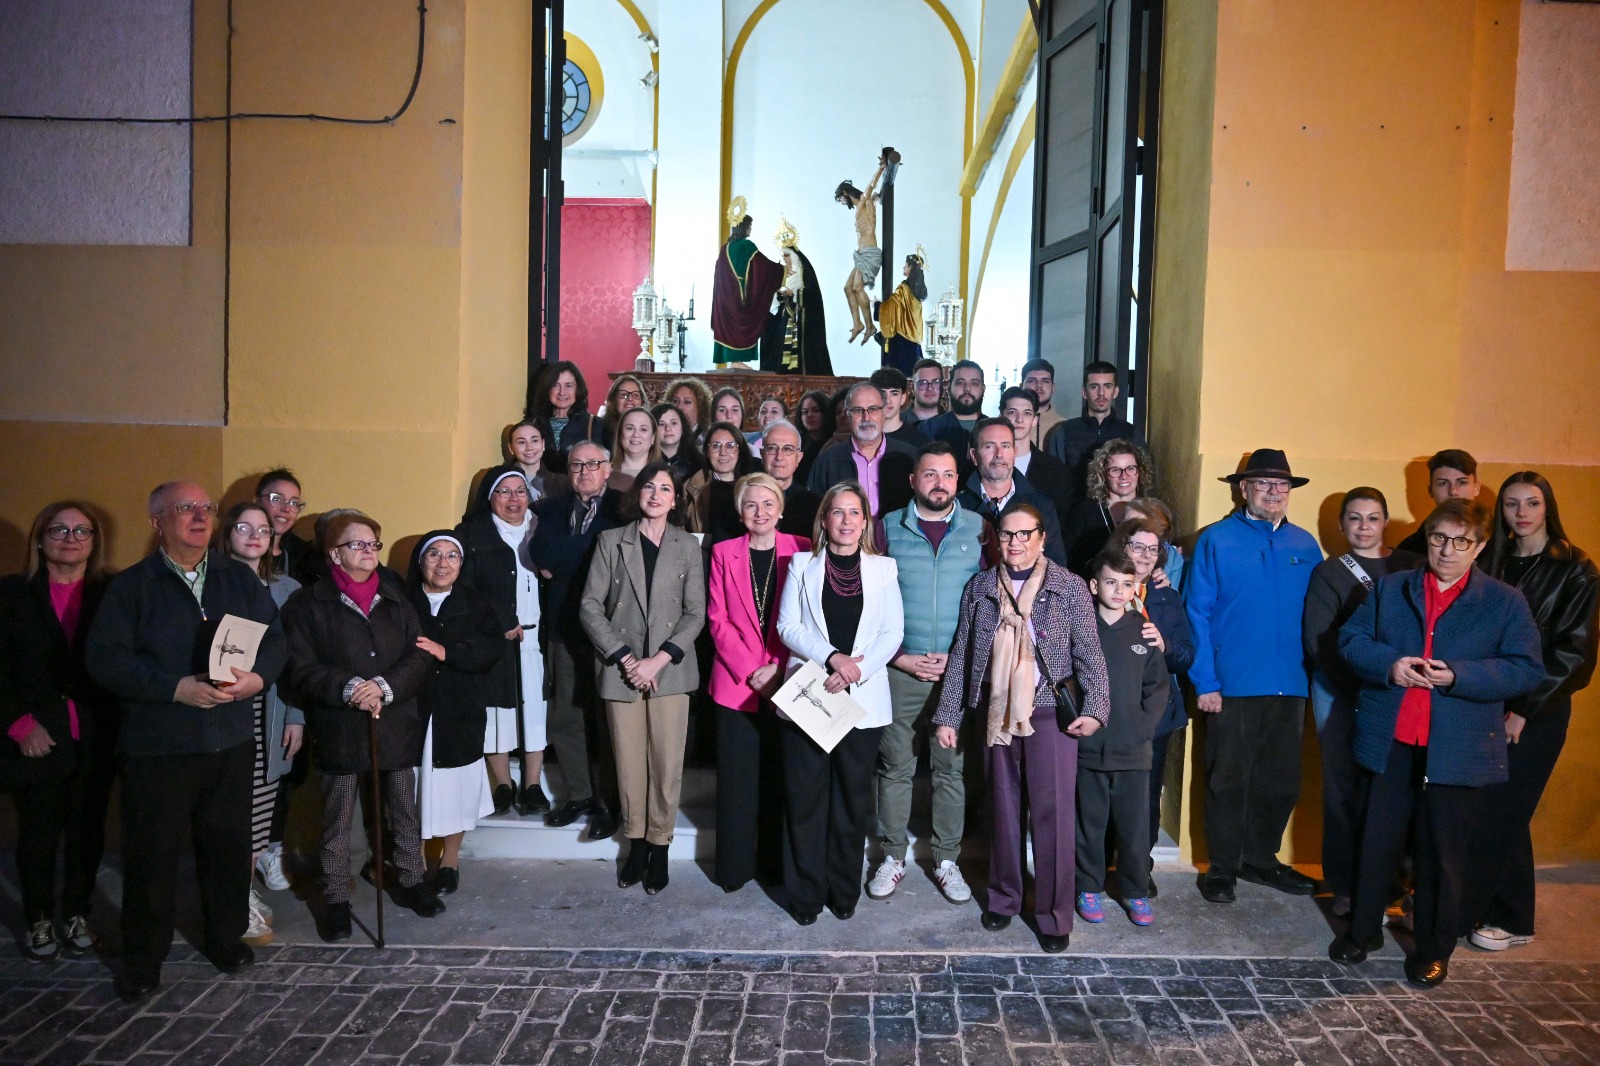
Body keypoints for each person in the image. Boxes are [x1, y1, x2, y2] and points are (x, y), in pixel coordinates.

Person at [1331, 498, 1543, 988]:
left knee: (1443, 854)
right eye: (1438, 538)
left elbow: (1526, 667)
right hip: (1393, 739)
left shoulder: (1504, 601)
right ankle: (1362, 933)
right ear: (1427, 538)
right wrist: (1390, 665)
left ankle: (1433, 949)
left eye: (1461, 541)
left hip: (1458, 749)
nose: (1447, 550)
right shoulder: (1391, 588)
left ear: (1481, 546)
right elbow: (1350, 641)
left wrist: (1459, 676)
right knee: (1375, 842)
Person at [86, 481, 286, 999]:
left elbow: (275, 641)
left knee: (226, 851)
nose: (199, 517)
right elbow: (105, 659)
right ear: (157, 521)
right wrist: (174, 689)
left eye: (206, 508)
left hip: (230, 741)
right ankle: (143, 961)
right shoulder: (131, 586)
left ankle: (223, 940)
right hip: (160, 747)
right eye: (184, 509)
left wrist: (257, 680)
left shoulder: (237, 580)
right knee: (152, 859)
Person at [933, 504, 1111, 953]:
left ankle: (1054, 916)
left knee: (1052, 818)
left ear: (1042, 538)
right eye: (1007, 535)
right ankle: (1005, 898)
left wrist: (1098, 706)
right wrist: (949, 715)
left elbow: (1089, 651)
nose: (1015, 543)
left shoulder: (1067, 587)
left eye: (1024, 534)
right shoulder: (980, 587)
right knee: (1004, 810)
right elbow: (962, 656)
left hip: (1050, 713)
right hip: (997, 713)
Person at [280, 513, 443, 943]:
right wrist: (351, 688)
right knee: (338, 819)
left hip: (395, 721)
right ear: (335, 553)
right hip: (339, 724)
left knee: (403, 811)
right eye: (359, 545)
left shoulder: (396, 597)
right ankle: (336, 898)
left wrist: (386, 687)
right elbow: (298, 665)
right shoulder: (307, 603)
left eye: (374, 543)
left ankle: (410, 880)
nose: (370, 551)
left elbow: (420, 654)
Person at [1466, 473, 1599, 952]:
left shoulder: (1576, 568)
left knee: (1506, 809)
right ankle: (1485, 907)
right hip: (1488, 702)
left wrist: (1523, 709)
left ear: (1547, 508)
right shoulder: (1494, 561)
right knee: (1490, 809)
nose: (1521, 513)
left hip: (1537, 710)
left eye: (1532, 503)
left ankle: (1512, 917)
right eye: (1511, 504)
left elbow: (1574, 656)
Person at [1185, 449, 1322, 904]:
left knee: (1280, 779)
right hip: (1232, 684)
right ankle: (1222, 867)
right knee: (1228, 778)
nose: (1273, 492)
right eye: (1263, 484)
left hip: (1292, 684)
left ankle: (1260, 859)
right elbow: (1196, 613)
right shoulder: (1216, 540)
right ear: (1243, 488)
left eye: (1281, 485)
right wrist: (1205, 681)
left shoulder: (1305, 545)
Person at [775, 483, 904, 924]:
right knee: (806, 798)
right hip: (811, 693)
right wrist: (833, 659)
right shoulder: (801, 565)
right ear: (824, 520)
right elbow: (787, 626)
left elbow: (892, 633)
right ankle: (806, 896)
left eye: (855, 513)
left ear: (865, 521)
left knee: (851, 801)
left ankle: (843, 892)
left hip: (862, 697)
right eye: (838, 513)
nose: (846, 521)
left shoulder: (884, 569)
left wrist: (855, 670)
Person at [580, 465, 706, 894]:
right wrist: (627, 658)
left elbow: (695, 614)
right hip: (622, 670)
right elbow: (590, 607)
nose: (656, 494)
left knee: (667, 764)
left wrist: (658, 661)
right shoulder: (611, 542)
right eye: (649, 486)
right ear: (639, 495)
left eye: (665, 488)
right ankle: (635, 843)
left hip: (669, 671)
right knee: (628, 761)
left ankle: (660, 846)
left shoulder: (687, 546)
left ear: (675, 500)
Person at [0, 500, 116, 963]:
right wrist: (20, 724)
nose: (70, 538)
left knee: (87, 831)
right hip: (34, 736)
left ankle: (77, 913)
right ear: (40, 537)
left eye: (81, 530)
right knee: (39, 834)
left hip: (96, 734)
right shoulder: (10, 594)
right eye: (59, 529)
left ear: (94, 541)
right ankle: (39, 917)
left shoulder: (112, 592)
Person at [870, 442, 985, 905]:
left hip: (956, 672)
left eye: (949, 474)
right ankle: (892, 856)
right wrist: (898, 656)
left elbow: (992, 600)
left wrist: (963, 659)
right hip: (901, 667)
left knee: (950, 769)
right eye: (930, 474)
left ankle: (947, 860)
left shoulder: (980, 529)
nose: (940, 482)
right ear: (913, 480)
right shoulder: (885, 529)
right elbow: (869, 602)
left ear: (959, 481)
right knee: (895, 766)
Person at [1300, 488, 1419, 914]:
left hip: (1401, 693)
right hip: (1343, 693)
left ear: (1385, 521)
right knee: (1343, 790)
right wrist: (1362, 689)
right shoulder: (1329, 573)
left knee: (1395, 791)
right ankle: (1346, 884)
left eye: (1372, 518)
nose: (1364, 527)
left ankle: (1393, 881)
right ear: (1341, 525)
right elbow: (1320, 641)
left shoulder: (1410, 565)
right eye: (1355, 518)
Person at [704, 473, 808, 892]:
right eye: (751, 505)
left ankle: (774, 867)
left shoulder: (802, 548)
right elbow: (717, 618)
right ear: (740, 511)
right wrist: (754, 670)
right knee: (737, 782)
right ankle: (734, 868)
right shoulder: (723, 552)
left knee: (780, 778)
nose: (760, 512)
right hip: (735, 683)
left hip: (788, 679)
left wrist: (778, 667)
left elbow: (807, 617)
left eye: (768, 504)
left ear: (780, 508)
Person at [214, 502, 305, 948]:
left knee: (260, 810)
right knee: (232, 813)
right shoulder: (209, 582)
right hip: (220, 707)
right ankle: (235, 897)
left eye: (263, 530)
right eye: (244, 528)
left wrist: (296, 715)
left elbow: (295, 659)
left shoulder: (286, 588)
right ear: (227, 532)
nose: (253, 536)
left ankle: (241, 893)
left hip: (269, 708)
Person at [529, 442, 624, 840]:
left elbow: (608, 558)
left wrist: (564, 560)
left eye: (593, 464)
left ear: (608, 468)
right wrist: (579, 555)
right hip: (564, 625)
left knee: (608, 718)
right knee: (566, 713)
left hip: (612, 629)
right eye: (576, 465)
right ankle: (579, 795)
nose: (584, 471)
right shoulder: (550, 508)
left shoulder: (624, 508)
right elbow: (540, 550)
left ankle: (610, 803)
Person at [407, 533, 507, 895]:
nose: (443, 563)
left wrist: (447, 652)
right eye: (434, 554)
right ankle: (412, 862)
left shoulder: (478, 605)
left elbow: (491, 649)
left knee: (456, 788)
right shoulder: (402, 602)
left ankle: (449, 861)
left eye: (452, 556)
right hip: (411, 711)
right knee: (412, 790)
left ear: (461, 565)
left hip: (458, 710)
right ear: (420, 561)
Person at [1074, 550, 1170, 928]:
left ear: (1136, 588)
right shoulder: (1080, 628)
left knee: (1134, 828)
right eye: (1110, 582)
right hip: (1088, 751)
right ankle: (1088, 887)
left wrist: (1141, 729)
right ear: (1094, 585)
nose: (1118, 590)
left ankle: (1134, 891)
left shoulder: (1143, 632)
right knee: (1089, 825)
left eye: (1126, 584)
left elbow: (1157, 689)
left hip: (1133, 751)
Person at [1103, 518, 1195, 894]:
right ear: (1122, 547)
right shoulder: (1099, 588)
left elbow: (1187, 655)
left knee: (1144, 797)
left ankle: (1137, 869)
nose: (1143, 555)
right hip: (1106, 711)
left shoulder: (1166, 597)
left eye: (1152, 549)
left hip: (1153, 716)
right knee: (1100, 793)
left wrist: (1165, 646)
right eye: (1136, 546)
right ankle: (1095, 865)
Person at [456, 468, 549, 816]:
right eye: (504, 492)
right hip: (495, 637)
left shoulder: (542, 529)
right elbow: (463, 589)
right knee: (497, 713)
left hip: (536, 635)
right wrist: (499, 618)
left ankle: (533, 783)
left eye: (520, 491)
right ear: (490, 498)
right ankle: (502, 783)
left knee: (535, 709)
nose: (514, 500)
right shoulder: (471, 535)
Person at [955, 419, 1068, 567]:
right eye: (989, 446)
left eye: (1006, 446)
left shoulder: (1042, 506)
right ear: (974, 456)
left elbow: (1056, 566)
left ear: (1014, 453)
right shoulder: (957, 506)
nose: (999, 454)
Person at [805, 382, 917, 518]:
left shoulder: (911, 457)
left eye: (873, 409)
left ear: (883, 412)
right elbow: (815, 515)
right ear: (847, 415)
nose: (866, 418)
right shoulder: (826, 462)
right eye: (858, 410)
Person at [1044, 360, 1145, 505]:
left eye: (1107, 386)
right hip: (1074, 516)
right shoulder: (1063, 432)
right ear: (1084, 393)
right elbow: (1054, 483)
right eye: (1094, 386)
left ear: (1116, 391)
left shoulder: (1130, 433)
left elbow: (1143, 481)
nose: (1101, 393)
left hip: (1121, 515)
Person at [1063, 440, 1157, 574]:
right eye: (1115, 470)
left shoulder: (1152, 511)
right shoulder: (1084, 512)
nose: (1124, 476)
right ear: (1103, 474)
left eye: (1130, 468)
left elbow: (1162, 555)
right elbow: (1068, 560)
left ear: (1140, 472)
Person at [712, 207, 785, 368]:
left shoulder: (725, 247)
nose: (751, 229)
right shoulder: (747, 246)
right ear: (744, 227)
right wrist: (781, 270)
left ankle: (734, 361)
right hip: (739, 295)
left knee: (729, 326)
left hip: (724, 296)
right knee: (742, 324)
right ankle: (737, 361)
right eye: (750, 226)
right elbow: (762, 267)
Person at [762, 220, 833, 375]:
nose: (785, 259)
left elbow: (811, 297)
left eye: (787, 255)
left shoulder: (805, 274)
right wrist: (777, 295)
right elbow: (774, 300)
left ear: (794, 257)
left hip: (802, 325)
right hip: (785, 321)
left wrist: (794, 294)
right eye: (783, 256)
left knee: (802, 357)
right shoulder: (781, 275)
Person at [834, 153, 889, 344]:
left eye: (841, 199)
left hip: (870, 253)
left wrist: (882, 168)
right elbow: (874, 194)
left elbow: (871, 186)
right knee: (848, 287)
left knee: (857, 287)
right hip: (861, 255)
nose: (842, 203)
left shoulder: (865, 202)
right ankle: (857, 323)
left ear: (846, 194)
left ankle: (870, 325)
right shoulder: (866, 204)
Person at [1000, 386, 1074, 521]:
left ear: (1035, 420)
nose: (1019, 419)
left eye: (1027, 413)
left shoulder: (1056, 471)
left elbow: (1061, 520)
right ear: (1001, 416)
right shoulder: (988, 465)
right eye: (1012, 412)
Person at [1395, 449, 1482, 556]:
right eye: (1443, 483)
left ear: (1476, 488)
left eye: (1462, 482)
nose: (1453, 491)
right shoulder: (1410, 548)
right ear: (1430, 490)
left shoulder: (1497, 544)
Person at [685, 422, 755, 545]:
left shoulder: (754, 485)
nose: (723, 452)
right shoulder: (692, 486)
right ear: (707, 451)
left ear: (740, 450)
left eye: (730, 446)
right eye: (716, 446)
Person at [918, 360, 986, 479]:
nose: (967, 389)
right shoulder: (929, 429)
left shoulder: (994, 429)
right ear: (949, 388)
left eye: (974, 383)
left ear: (983, 389)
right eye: (960, 383)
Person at [531, 361, 604, 468]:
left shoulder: (596, 425)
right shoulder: (533, 424)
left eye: (568, 386)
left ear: (578, 389)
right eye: (555, 385)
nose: (562, 392)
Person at [762, 420, 820, 538]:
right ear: (762, 454)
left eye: (787, 449)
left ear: (798, 458)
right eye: (772, 448)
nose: (779, 457)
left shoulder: (814, 504)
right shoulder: (746, 500)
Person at [255, 470, 314, 583]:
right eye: (277, 499)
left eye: (294, 503)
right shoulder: (235, 548)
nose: (286, 509)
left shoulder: (303, 557)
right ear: (257, 501)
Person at [876, 251, 927, 375]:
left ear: (910, 266)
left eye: (905, 265)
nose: (903, 267)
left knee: (896, 376)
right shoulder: (920, 291)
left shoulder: (903, 288)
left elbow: (893, 306)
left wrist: (878, 305)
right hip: (915, 342)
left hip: (901, 341)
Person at [1122, 496, 1186, 592]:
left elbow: (1173, 598)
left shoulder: (1173, 558)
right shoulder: (1113, 550)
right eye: (1125, 523)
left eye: (1139, 525)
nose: (1128, 529)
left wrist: (1166, 588)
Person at [608, 407, 662, 494]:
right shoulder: (604, 473)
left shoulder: (665, 475)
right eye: (630, 428)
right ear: (620, 434)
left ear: (653, 438)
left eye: (643, 429)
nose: (636, 435)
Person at [653, 403, 705, 483]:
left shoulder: (699, 464)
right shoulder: (643, 462)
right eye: (661, 424)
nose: (668, 428)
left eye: (673, 423)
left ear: (682, 429)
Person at [872, 368, 924, 446]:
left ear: (903, 398)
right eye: (882, 393)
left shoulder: (920, 440)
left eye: (894, 394)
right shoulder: (862, 438)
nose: (888, 400)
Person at [1020, 359, 1065, 449]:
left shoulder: (1065, 425)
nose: (1039, 385)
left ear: (1053, 387)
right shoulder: (1006, 423)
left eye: (1045, 381)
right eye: (1032, 380)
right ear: (1021, 386)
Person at [795, 389, 835, 486]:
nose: (809, 415)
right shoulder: (795, 443)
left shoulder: (834, 442)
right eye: (804, 412)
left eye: (816, 410)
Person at [601, 374, 648, 446]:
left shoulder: (650, 428)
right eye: (623, 394)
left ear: (642, 401)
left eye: (635, 395)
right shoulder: (600, 429)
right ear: (614, 399)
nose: (630, 399)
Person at [666, 377, 713, 445]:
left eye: (687, 402)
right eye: (675, 401)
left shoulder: (708, 439)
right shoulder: (662, 435)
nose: (679, 407)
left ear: (700, 407)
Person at [909, 359, 946, 423]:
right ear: (912, 387)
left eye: (935, 382)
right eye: (923, 383)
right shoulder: (896, 422)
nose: (930, 388)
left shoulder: (954, 425)